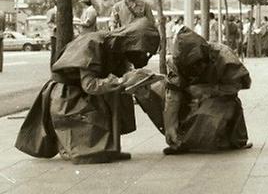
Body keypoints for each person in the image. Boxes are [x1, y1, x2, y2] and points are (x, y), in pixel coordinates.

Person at [15, 18, 161, 164]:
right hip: (69, 95)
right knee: (89, 152)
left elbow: (119, 80)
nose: (143, 56)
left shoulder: (117, 49)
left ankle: (110, 147)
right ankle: (89, 146)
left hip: (84, 93)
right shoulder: (93, 43)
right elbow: (90, 85)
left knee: (118, 97)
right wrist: (123, 81)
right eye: (143, 51)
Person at [158, 26, 252, 154]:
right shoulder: (176, 63)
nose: (195, 70)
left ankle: (218, 136)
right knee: (153, 92)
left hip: (219, 100)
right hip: (189, 100)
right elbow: (172, 96)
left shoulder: (224, 56)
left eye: (198, 65)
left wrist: (208, 90)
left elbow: (237, 85)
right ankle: (179, 137)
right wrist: (170, 126)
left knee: (210, 110)